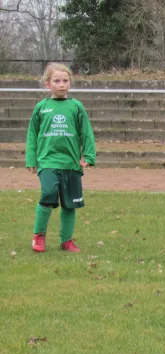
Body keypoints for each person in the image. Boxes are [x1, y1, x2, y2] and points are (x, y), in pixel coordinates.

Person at [26, 62, 96, 253]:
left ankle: (66, 241)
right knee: (48, 193)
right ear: (47, 84)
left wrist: (88, 155)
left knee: (69, 203)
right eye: (56, 81)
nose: (61, 84)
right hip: (47, 161)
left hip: (71, 163)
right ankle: (38, 236)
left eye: (65, 80)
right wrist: (31, 159)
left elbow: (86, 132)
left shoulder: (76, 106)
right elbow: (32, 134)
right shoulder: (41, 107)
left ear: (70, 83)